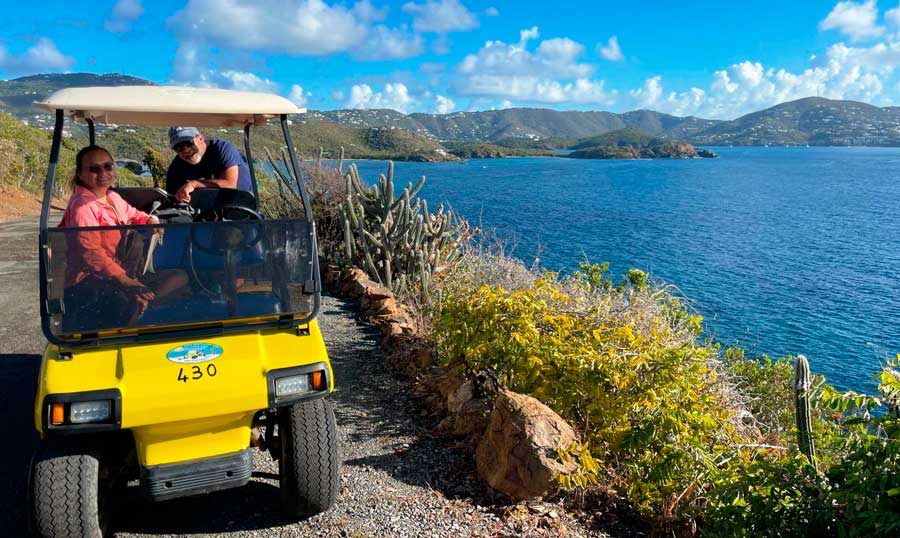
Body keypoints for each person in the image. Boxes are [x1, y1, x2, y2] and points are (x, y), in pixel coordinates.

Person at [61, 145, 187, 327]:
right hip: (92, 281)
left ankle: (144, 304)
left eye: (108, 166)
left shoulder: (112, 197)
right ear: (80, 174)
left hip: (122, 271)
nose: (103, 173)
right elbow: (90, 253)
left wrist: (150, 220)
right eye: (94, 169)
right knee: (129, 303)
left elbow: (135, 215)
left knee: (179, 277)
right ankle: (134, 315)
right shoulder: (83, 206)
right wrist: (127, 282)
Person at [166, 127, 253, 203]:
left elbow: (230, 185)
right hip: (205, 215)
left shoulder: (222, 148)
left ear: (201, 138)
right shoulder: (177, 166)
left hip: (242, 207)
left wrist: (194, 184)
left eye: (189, 143)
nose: (185, 150)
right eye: (178, 147)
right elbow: (171, 196)